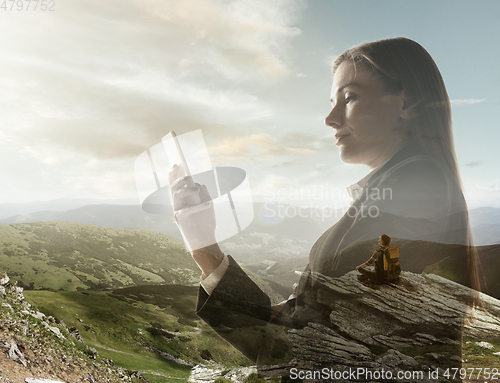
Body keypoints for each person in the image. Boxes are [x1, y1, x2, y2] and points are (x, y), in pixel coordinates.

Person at [168, 37, 480, 366]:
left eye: (350, 98)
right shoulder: (405, 187)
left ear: (407, 104)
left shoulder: (415, 190)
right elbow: (318, 330)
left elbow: (309, 351)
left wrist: (204, 248)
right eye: (332, 101)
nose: (330, 118)